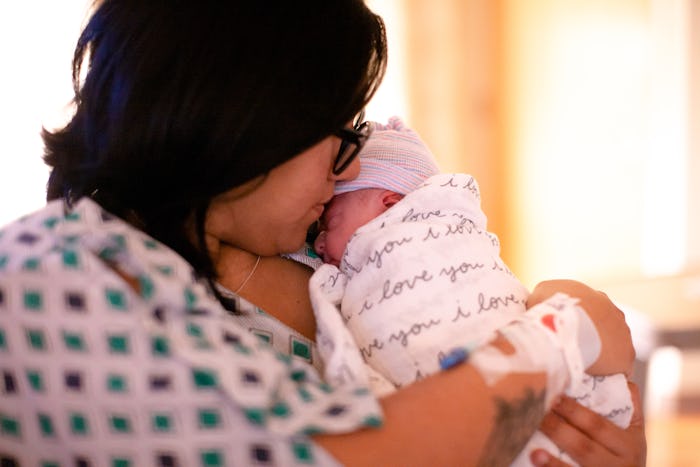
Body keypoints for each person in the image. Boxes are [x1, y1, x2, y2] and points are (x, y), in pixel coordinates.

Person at [0, 1, 645, 466]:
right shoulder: (51, 273)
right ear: (248, 118)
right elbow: (341, 454)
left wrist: (594, 438)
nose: (354, 164)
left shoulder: (323, 259)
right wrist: (561, 332)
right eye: (338, 133)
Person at [309, 117, 633, 466]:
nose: (320, 243)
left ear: (390, 204)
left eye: (328, 223)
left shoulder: (437, 236)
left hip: (549, 407)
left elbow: (607, 334)